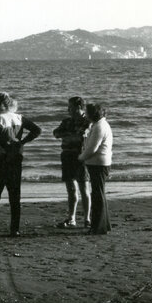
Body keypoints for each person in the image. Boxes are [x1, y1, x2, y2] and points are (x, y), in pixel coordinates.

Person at [0, 92, 41, 237]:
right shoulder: (19, 118)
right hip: (16, 159)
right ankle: (15, 229)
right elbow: (37, 130)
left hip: (1, 159)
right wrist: (22, 142)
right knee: (15, 196)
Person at [52, 96, 91, 228]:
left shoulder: (87, 121)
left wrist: (67, 134)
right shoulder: (67, 121)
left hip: (81, 156)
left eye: (70, 107)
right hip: (67, 155)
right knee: (71, 189)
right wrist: (71, 135)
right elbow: (56, 133)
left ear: (78, 107)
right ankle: (72, 218)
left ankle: (87, 218)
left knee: (84, 188)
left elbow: (82, 134)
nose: (68, 109)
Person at [79, 102, 113, 235]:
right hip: (100, 162)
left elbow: (92, 148)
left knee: (97, 195)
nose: (85, 115)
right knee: (99, 193)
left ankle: (98, 227)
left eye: (87, 112)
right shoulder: (101, 125)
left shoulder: (99, 126)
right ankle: (104, 224)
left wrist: (81, 157)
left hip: (98, 163)